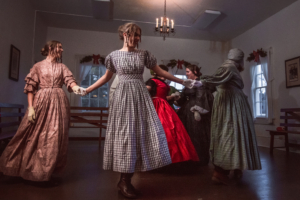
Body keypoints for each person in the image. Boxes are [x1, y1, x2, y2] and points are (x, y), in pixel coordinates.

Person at [82, 22, 197, 198]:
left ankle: (126, 180)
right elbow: (106, 78)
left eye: (137, 35)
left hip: (140, 96)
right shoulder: (113, 56)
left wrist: (182, 81)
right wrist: (88, 90)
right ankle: (124, 180)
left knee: (138, 135)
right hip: (123, 97)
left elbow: (161, 72)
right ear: (123, 34)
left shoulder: (144, 55)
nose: (135, 38)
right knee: (125, 135)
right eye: (131, 34)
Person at [0, 41, 82, 185]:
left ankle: (46, 173)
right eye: (59, 47)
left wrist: (76, 88)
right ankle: (22, 167)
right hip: (41, 103)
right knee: (30, 133)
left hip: (59, 104)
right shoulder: (38, 66)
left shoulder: (62, 67)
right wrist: (31, 108)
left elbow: (69, 81)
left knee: (54, 138)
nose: (62, 49)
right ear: (51, 48)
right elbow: (31, 87)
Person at [200, 48, 261, 184]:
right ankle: (221, 171)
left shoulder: (230, 67)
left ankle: (235, 166)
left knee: (233, 133)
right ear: (239, 59)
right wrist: (201, 81)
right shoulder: (229, 67)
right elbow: (215, 80)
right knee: (230, 133)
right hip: (230, 105)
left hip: (231, 104)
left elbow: (216, 82)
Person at [145, 65, 199, 164]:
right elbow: (145, 91)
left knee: (172, 130)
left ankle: (170, 159)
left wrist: (170, 98)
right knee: (160, 130)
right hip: (157, 106)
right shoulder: (152, 81)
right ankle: (155, 159)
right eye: (162, 72)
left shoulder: (163, 82)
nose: (164, 75)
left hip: (164, 106)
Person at [176, 65, 215, 166]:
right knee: (189, 134)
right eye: (186, 71)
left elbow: (203, 95)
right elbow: (183, 97)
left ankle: (201, 159)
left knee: (199, 133)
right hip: (187, 111)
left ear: (195, 72)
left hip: (198, 110)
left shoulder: (202, 83)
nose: (186, 73)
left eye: (188, 71)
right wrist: (176, 98)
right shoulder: (188, 83)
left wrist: (198, 110)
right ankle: (191, 158)